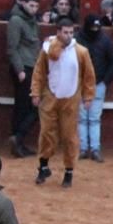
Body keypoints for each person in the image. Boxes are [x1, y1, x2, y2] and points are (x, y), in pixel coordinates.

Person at [31, 16, 97, 188]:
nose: (68, 35)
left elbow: (89, 76)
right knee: (46, 132)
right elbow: (39, 72)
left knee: (69, 136)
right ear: (58, 32)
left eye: (71, 32)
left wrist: (89, 96)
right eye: (65, 32)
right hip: (50, 96)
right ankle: (43, 166)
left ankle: (69, 172)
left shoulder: (81, 52)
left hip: (71, 98)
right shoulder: (47, 49)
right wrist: (35, 92)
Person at [7, 0, 43, 159]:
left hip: (32, 68)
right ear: (23, 4)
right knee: (27, 107)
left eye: (36, 6)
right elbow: (12, 48)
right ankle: (18, 139)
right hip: (23, 69)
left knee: (26, 106)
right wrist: (19, 70)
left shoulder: (31, 21)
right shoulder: (16, 20)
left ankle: (18, 141)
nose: (33, 9)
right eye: (31, 5)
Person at [78, 15, 113, 164]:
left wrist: (105, 81)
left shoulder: (103, 40)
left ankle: (93, 149)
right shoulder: (100, 39)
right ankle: (84, 148)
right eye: (93, 28)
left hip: (98, 83)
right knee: (83, 118)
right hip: (82, 84)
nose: (95, 30)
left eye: (97, 28)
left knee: (92, 119)